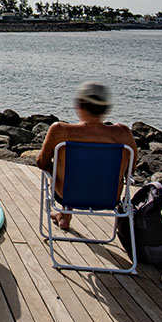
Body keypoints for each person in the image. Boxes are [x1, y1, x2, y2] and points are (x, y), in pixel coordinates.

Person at [35, 81, 138, 231]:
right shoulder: (123, 133)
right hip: (109, 198)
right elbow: (131, 169)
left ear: (79, 106)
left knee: (64, 167)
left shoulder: (60, 130)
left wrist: (53, 166)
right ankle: (64, 217)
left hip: (66, 194)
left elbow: (41, 162)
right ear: (105, 109)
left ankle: (65, 214)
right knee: (92, 168)